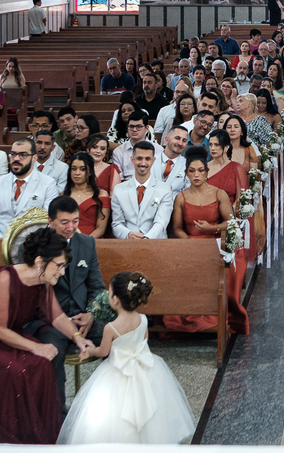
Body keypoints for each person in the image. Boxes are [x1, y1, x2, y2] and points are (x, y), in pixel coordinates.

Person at [0, 227, 96, 450]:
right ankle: (9, 437)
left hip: (10, 335)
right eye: (59, 265)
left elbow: (57, 316)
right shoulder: (4, 278)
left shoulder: (42, 280)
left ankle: (32, 436)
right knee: (19, 369)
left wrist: (77, 337)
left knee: (43, 365)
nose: (62, 272)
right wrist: (36, 347)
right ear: (40, 261)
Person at [58, 271, 195, 444]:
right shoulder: (143, 319)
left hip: (117, 372)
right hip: (144, 368)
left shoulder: (111, 328)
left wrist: (90, 351)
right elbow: (144, 341)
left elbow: (103, 352)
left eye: (109, 292)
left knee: (114, 413)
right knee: (148, 406)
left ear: (115, 299)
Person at [28, 196, 107, 410]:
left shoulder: (87, 243)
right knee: (52, 351)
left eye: (75, 221)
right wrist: (61, 320)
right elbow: (32, 293)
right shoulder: (35, 245)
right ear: (50, 221)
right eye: (64, 222)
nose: (71, 227)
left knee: (118, 338)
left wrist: (91, 313)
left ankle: (109, 408)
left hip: (84, 318)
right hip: (50, 320)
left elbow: (97, 286)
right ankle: (57, 415)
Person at [166, 148, 249, 334]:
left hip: (215, 242)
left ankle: (217, 312)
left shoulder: (219, 194)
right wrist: (188, 241)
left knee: (226, 268)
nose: (196, 175)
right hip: (190, 244)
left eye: (200, 170)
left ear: (206, 172)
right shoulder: (181, 197)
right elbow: (177, 228)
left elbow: (230, 222)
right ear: (186, 173)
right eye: (192, 171)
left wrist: (211, 229)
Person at [0, 139, 61, 240]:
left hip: (33, 243)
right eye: (13, 154)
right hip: (1, 240)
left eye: (23, 155)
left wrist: (31, 242)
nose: (16, 158)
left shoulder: (48, 183)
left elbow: (48, 220)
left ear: (34, 158)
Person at [64, 153, 109, 237]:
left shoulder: (101, 194)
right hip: (67, 239)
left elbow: (101, 228)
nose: (77, 173)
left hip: (93, 240)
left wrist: (85, 242)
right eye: (74, 169)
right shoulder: (63, 195)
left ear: (90, 172)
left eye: (82, 169)